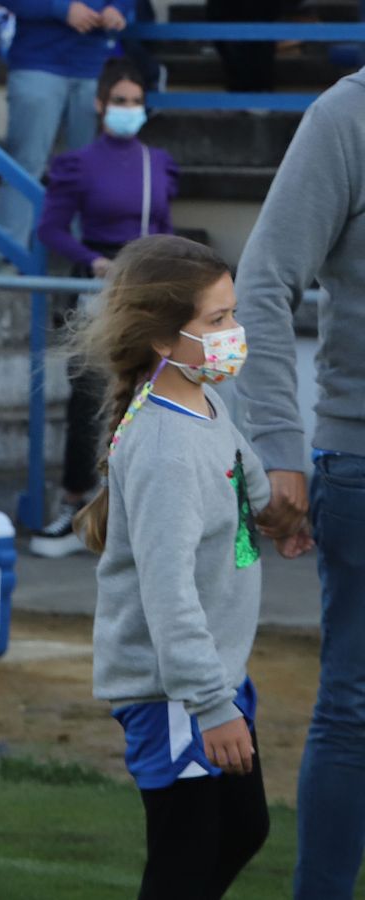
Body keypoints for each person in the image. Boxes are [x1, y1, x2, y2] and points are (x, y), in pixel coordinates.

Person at [73, 235, 299, 898]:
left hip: (215, 675)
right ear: (162, 339)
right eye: (217, 319)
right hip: (175, 694)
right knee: (185, 862)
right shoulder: (164, 451)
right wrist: (211, 706)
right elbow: (167, 597)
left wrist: (278, 518)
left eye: (233, 314)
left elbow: (239, 474)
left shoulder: (203, 399)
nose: (234, 333)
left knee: (244, 829)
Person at [233, 65, 365, 899]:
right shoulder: (347, 115)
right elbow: (262, 283)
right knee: (355, 712)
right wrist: (279, 445)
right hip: (361, 460)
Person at [31, 57, 178, 558]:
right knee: (89, 395)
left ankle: (137, 514)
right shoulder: (78, 163)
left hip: (147, 285)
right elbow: (50, 229)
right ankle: (75, 505)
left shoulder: (156, 162)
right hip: (99, 286)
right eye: (119, 101)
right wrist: (93, 260)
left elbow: (164, 225)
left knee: (152, 396)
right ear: (99, 104)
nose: (128, 108)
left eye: (136, 101)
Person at [0, 0, 134, 254]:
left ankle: (89, 259)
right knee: (26, 164)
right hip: (38, 63)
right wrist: (60, 9)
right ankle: (8, 257)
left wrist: (118, 8)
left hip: (93, 66)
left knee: (92, 171)